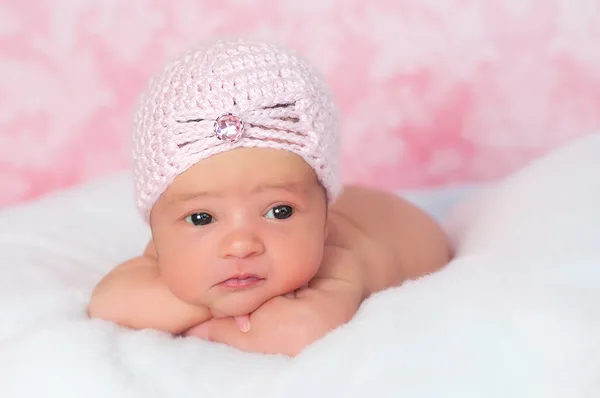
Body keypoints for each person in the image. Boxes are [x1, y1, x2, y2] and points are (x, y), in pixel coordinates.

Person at [88, 38, 452, 356]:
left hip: (408, 231)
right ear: (156, 229)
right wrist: (214, 302)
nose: (241, 245)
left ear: (324, 220)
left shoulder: (339, 264)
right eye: (202, 218)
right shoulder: (177, 252)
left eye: (279, 211)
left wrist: (209, 325)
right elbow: (110, 302)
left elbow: (300, 332)